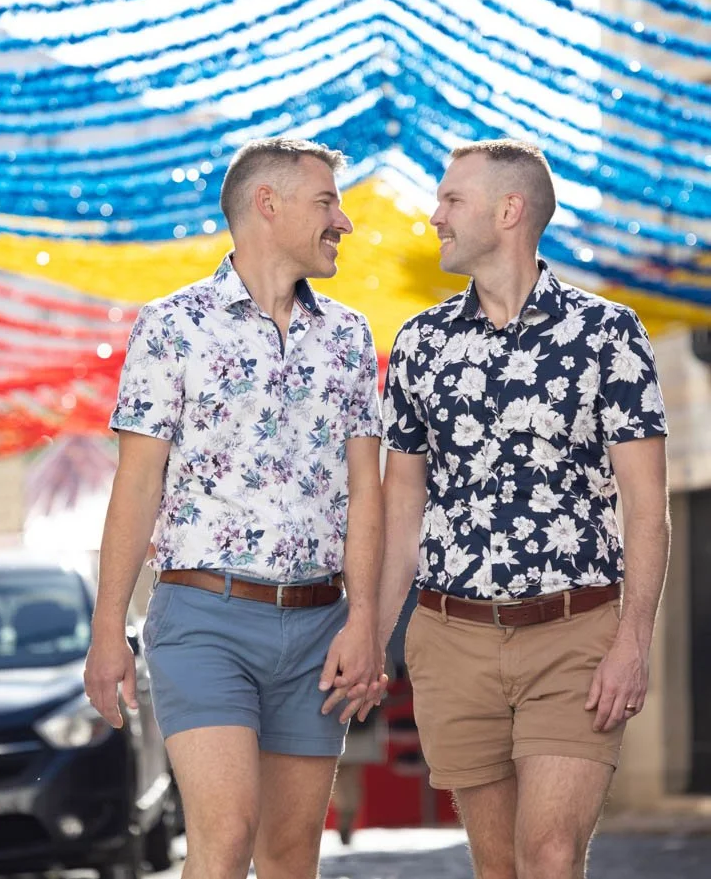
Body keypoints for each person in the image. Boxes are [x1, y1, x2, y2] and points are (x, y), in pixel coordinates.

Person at [84, 137, 385, 879]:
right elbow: (137, 484)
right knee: (224, 839)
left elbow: (366, 488)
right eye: (327, 202)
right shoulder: (171, 325)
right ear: (267, 204)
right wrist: (105, 632)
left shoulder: (348, 335)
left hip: (319, 627)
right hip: (203, 619)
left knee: (289, 856)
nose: (342, 221)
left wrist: (365, 619)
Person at [374, 138, 670, 879]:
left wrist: (633, 640)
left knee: (549, 855)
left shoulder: (608, 335)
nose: (435, 214)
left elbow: (646, 506)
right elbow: (401, 504)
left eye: (451, 199)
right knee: (498, 864)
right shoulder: (420, 344)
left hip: (576, 634)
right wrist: (376, 637)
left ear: (510, 210)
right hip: (452, 638)